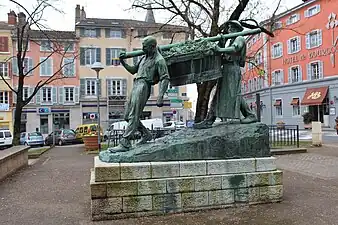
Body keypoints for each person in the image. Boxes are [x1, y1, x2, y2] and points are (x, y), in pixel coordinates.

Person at [109, 36, 170, 153]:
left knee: (134, 114)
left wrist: (160, 96)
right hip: (136, 84)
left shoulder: (159, 60)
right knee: (127, 116)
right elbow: (133, 70)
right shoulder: (143, 58)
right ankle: (146, 134)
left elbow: (165, 78)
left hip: (144, 86)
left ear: (152, 47)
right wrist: (122, 61)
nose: (142, 49)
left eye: (145, 47)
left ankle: (125, 142)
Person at [194, 20, 257, 129]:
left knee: (234, 94)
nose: (229, 30)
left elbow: (235, 48)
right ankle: (209, 120)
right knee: (219, 95)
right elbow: (225, 55)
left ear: (236, 29)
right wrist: (222, 44)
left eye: (231, 28)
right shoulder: (231, 40)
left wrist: (220, 49)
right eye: (229, 28)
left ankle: (250, 115)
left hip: (232, 69)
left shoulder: (239, 38)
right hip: (227, 69)